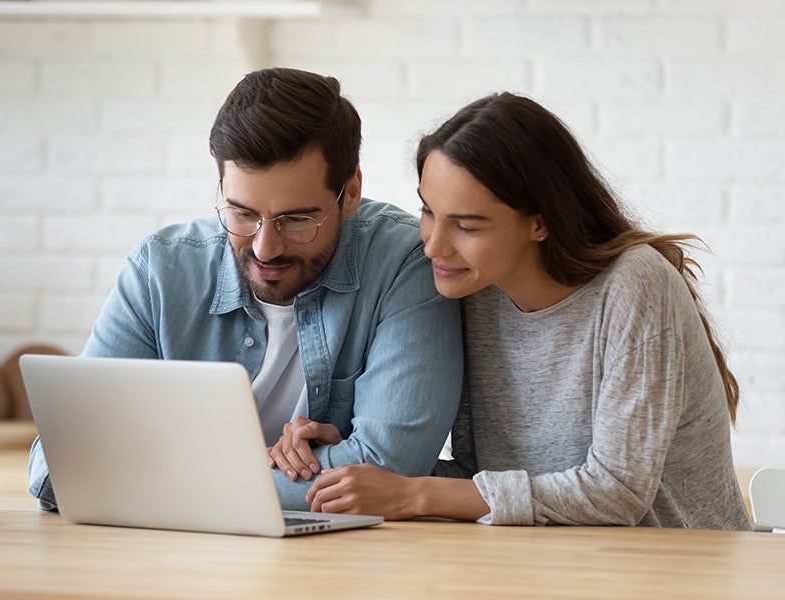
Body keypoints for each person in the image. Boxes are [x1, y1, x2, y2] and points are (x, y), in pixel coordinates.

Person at [276, 92, 752, 530]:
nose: (433, 246)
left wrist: (415, 493)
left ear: (539, 223)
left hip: (678, 564)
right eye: (428, 212)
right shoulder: (474, 291)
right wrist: (351, 463)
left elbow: (617, 493)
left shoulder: (634, 284)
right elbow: (482, 480)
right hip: (552, 563)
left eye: (466, 226)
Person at [27, 67, 463, 511]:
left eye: (296, 220)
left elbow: (390, 467)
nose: (264, 247)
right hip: (169, 546)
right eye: (242, 213)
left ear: (350, 193)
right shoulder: (160, 271)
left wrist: (160, 477)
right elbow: (58, 464)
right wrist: (257, 469)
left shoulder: (404, 264)